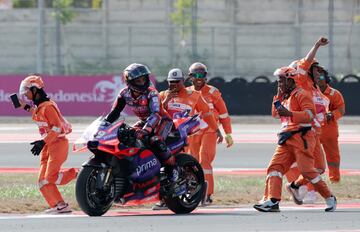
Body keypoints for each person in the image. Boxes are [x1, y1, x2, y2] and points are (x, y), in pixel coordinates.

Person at [253, 67, 336, 212]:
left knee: (307, 171)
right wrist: (278, 97)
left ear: (291, 80)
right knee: (274, 168)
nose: (279, 84)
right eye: (278, 81)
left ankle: (329, 197)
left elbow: (309, 115)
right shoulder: (285, 97)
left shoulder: (301, 94)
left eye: (281, 81)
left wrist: (291, 113)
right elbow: (275, 114)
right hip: (285, 138)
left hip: (301, 137)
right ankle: (273, 201)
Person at [154, 68, 222, 209]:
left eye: (177, 82)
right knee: (159, 166)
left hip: (181, 137)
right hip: (163, 136)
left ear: (183, 81)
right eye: (171, 82)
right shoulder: (162, 95)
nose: (174, 85)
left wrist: (217, 130)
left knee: (177, 166)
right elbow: (155, 113)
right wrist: (166, 101)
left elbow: (207, 114)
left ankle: (193, 193)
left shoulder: (195, 95)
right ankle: (162, 198)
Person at [104, 63, 177, 194]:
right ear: (129, 81)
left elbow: (155, 114)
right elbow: (114, 112)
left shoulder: (152, 93)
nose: (142, 82)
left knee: (155, 140)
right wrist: (103, 125)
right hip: (144, 121)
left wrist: (146, 130)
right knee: (126, 139)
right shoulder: (124, 94)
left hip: (162, 121)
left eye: (144, 78)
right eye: (138, 80)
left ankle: (173, 170)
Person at [17, 74, 77, 214]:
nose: (25, 93)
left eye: (27, 90)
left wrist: (41, 142)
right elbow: (38, 116)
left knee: (50, 177)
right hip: (47, 145)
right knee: (42, 181)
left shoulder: (48, 106)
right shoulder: (41, 106)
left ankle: (77, 174)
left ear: (35, 89)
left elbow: (56, 128)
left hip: (58, 144)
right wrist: (24, 106)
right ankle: (60, 205)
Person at [284, 37, 331, 204]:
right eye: (316, 69)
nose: (319, 72)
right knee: (308, 166)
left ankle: (296, 186)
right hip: (305, 132)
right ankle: (300, 190)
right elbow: (305, 63)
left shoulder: (315, 89)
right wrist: (317, 46)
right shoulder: (301, 82)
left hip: (316, 133)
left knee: (319, 168)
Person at [187, 62, 234, 205]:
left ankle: (207, 194)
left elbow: (224, 114)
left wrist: (228, 133)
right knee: (192, 163)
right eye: (196, 75)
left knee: (204, 161)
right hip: (192, 132)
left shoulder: (214, 92)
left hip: (210, 131)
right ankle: (193, 191)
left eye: (202, 75)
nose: (199, 78)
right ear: (190, 77)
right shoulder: (186, 92)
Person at [316, 69, 345, 183]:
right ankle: (313, 180)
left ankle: (335, 179)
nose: (319, 80)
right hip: (315, 130)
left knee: (333, 156)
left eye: (321, 77)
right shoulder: (310, 93)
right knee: (313, 156)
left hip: (330, 130)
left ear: (326, 78)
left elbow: (341, 110)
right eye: (317, 78)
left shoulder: (335, 94)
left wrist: (332, 115)